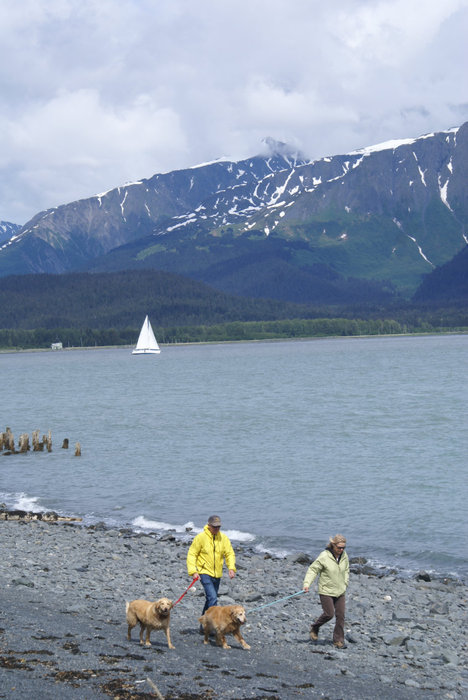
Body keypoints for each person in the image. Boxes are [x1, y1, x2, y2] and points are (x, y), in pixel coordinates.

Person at [303, 534, 349, 648]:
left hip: (340, 590)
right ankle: (315, 627)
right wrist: (306, 584)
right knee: (329, 614)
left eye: (343, 547)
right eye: (339, 547)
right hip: (326, 590)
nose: (341, 550)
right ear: (333, 545)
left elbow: (347, 569)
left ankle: (338, 640)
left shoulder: (344, 556)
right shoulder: (324, 556)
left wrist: (345, 582)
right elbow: (313, 569)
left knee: (341, 616)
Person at [186, 515, 236, 615]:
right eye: (214, 527)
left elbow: (229, 553)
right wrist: (193, 571)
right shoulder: (200, 537)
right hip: (204, 572)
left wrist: (231, 568)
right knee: (213, 599)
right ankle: (213, 626)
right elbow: (192, 554)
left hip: (217, 574)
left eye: (218, 527)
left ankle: (203, 625)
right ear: (209, 526)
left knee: (210, 599)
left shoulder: (223, 538)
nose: (217, 529)